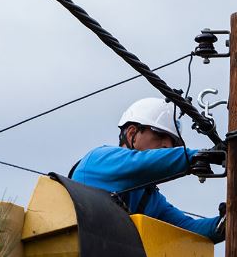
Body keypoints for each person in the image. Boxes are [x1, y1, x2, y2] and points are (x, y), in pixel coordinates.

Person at [70, 97, 225, 243]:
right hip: (75, 249)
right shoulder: (100, 159)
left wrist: (229, 220)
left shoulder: (150, 198)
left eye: (173, 144)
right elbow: (141, 163)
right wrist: (200, 156)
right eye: (159, 135)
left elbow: (188, 229)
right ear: (132, 134)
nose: (167, 146)